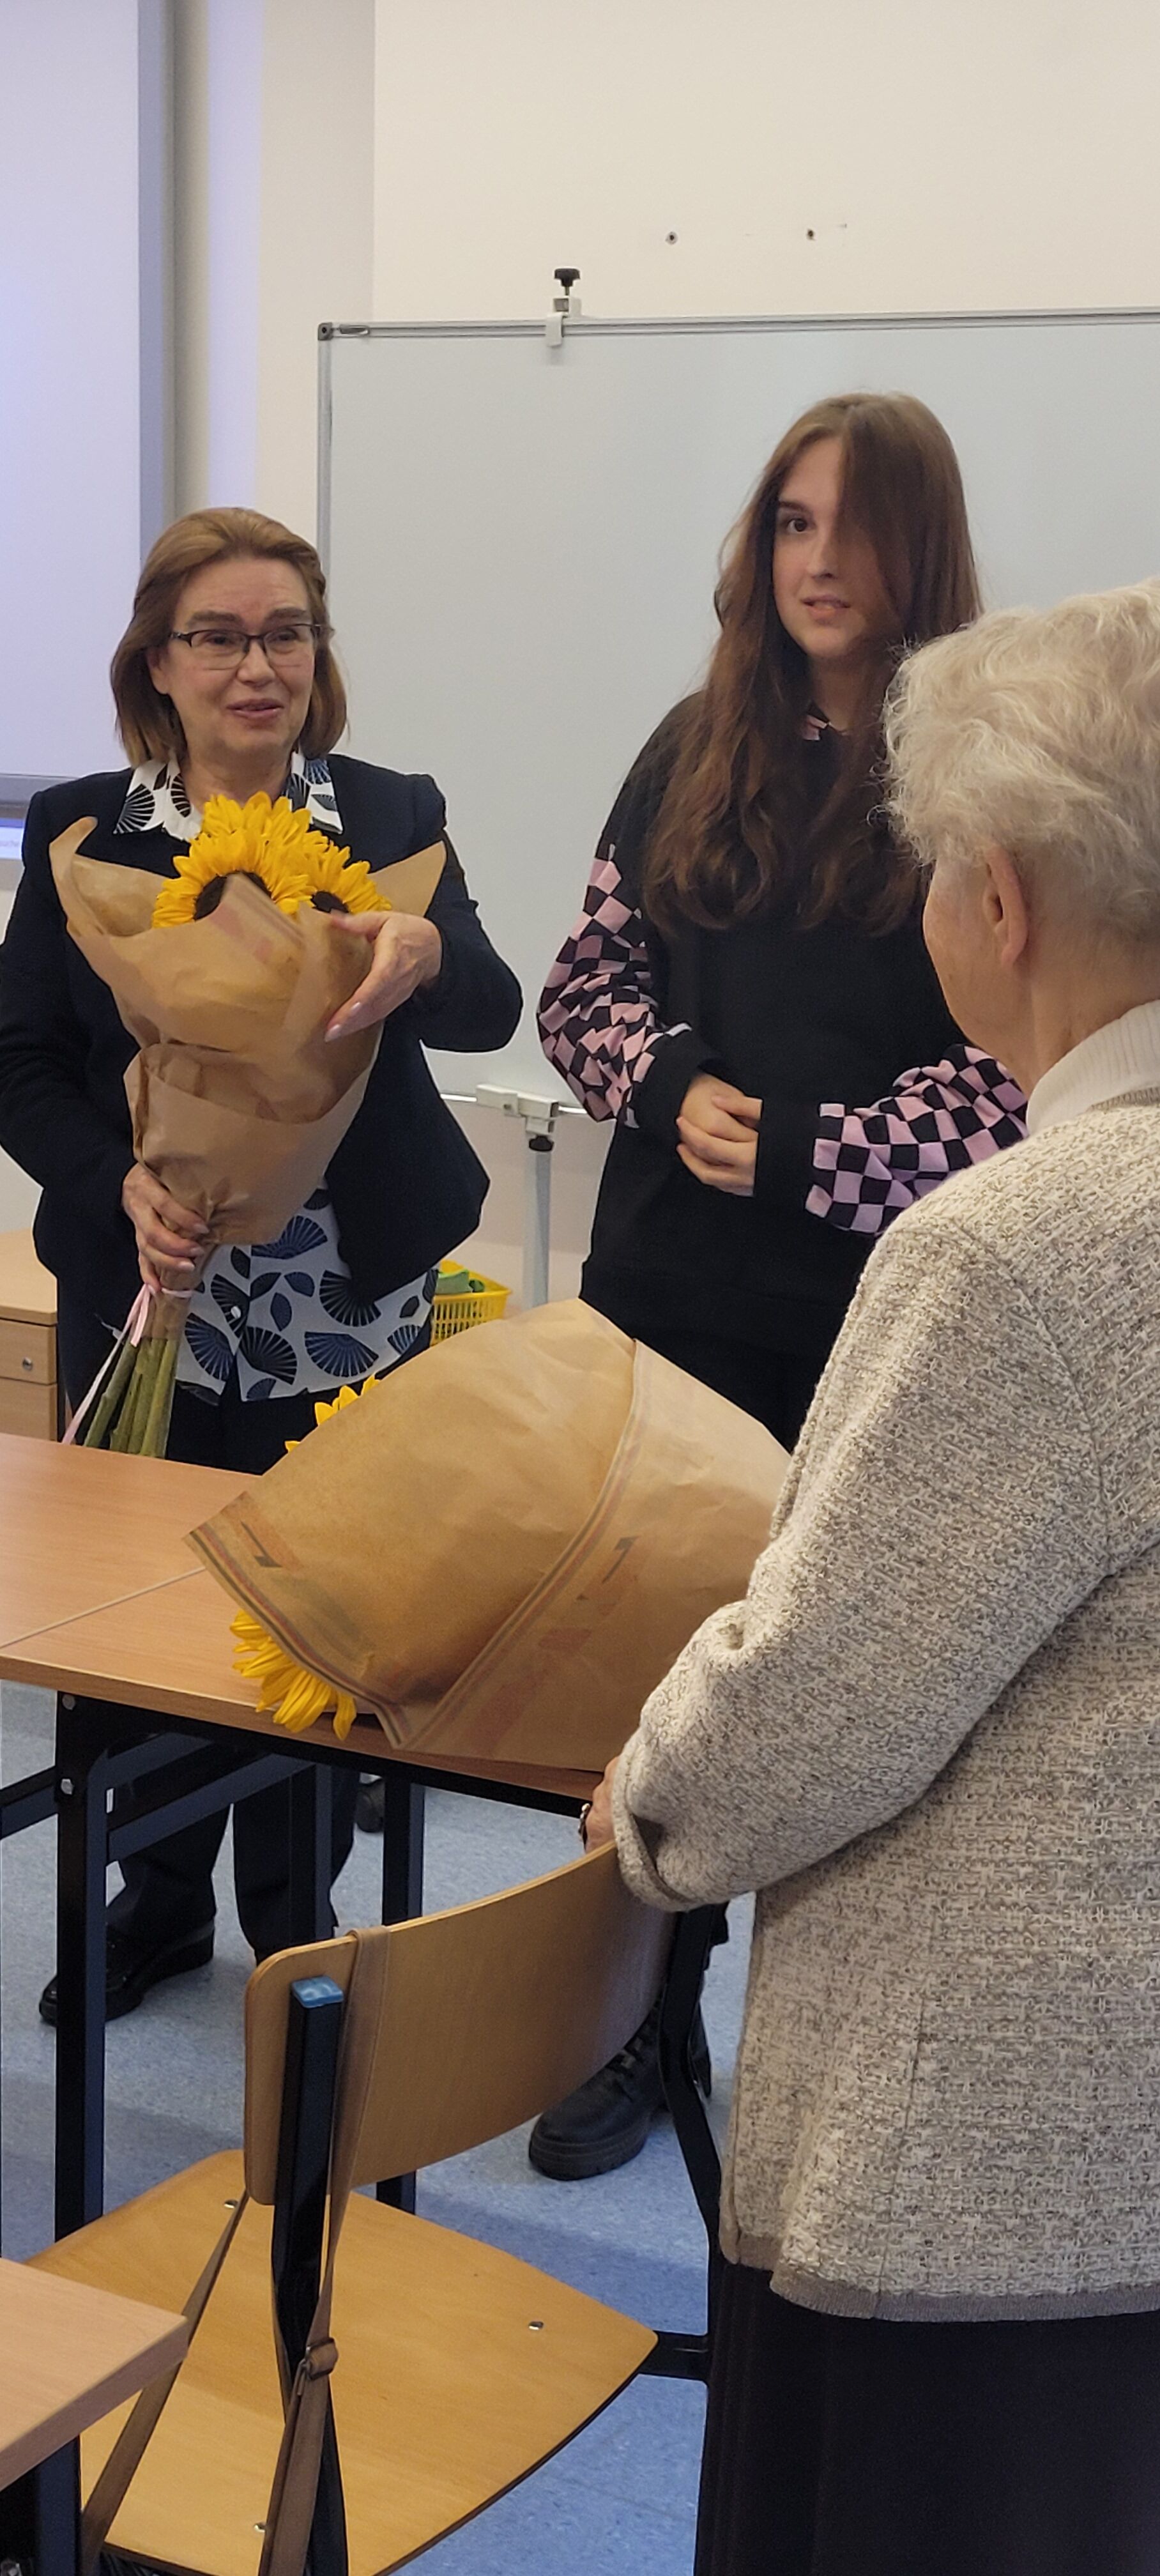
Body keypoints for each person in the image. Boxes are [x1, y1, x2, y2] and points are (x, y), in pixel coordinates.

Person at [586, 579, 1160, 2576]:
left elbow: (806, 1714)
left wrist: (644, 1797)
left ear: (999, 899)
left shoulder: (1022, 1248)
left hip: (990, 2179)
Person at [531, 392, 1024, 2180]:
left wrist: (812, 1149)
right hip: (660, 1299)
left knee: (802, 1689)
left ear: (920, 548)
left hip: (862, 1325)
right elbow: (582, 988)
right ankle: (639, 2023)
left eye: (857, 526)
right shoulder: (693, 746)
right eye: (792, 522)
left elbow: (1019, 1072)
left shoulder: (984, 770)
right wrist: (667, 1083)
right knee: (643, 1676)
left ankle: (793, 2044)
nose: (820, 561)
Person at [0, 505, 520, 2019]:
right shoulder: (88, 831)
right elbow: (21, 1062)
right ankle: (155, 1900)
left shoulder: (386, 809)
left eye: (285, 633)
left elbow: (489, 1006)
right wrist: (112, 1187)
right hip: (151, 1295)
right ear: (157, 662)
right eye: (219, 636)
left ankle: (296, 1916)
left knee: (319, 1614)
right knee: (140, 1611)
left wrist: (427, 957)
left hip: (346, 1300)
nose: (257, 666)